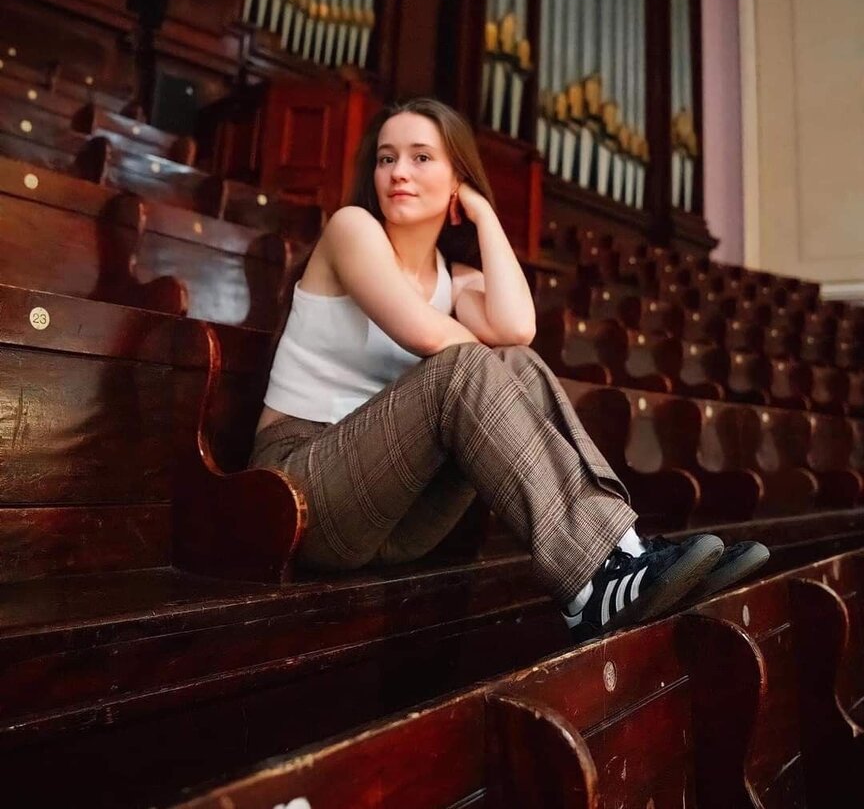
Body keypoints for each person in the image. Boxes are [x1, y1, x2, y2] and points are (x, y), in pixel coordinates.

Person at [249, 97, 768, 643]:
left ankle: (622, 552)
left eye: (421, 157)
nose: (398, 172)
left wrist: (484, 213)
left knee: (512, 359)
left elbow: (519, 329)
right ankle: (591, 583)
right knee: (469, 365)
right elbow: (428, 336)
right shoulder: (351, 229)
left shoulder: (456, 278)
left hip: (394, 513)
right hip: (300, 493)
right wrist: (487, 365)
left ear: (457, 178)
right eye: (386, 158)